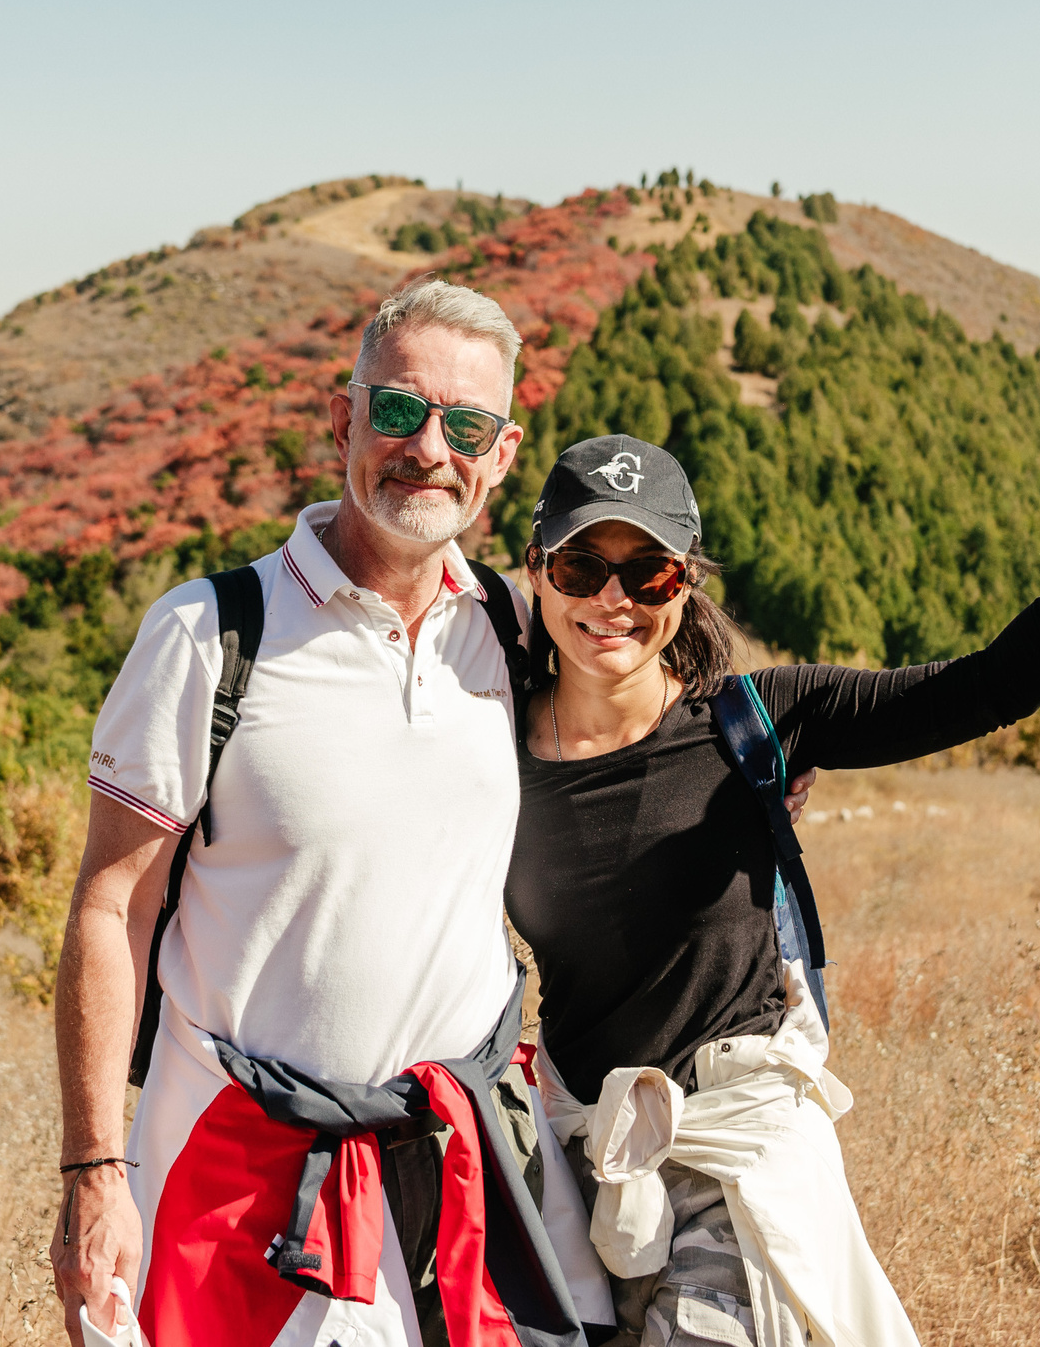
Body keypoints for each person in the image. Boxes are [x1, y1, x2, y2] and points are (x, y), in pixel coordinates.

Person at [504, 418, 1040, 1347]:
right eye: (580, 568)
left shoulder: (757, 720)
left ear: (685, 587)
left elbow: (986, 689)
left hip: (737, 1150)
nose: (613, 599)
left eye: (646, 572)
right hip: (578, 1158)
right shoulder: (484, 750)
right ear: (537, 570)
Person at [49, 279, 616, 1347]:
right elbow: (111, 906)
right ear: (342, 416)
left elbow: (637, 719)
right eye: (398, 410)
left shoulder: (507, 625)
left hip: (467, 1167)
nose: (426, 448)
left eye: (467, 425)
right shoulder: (208, 634)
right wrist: (93, 1170)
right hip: (239, 1174)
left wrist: (759, 767)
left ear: (502, 454)